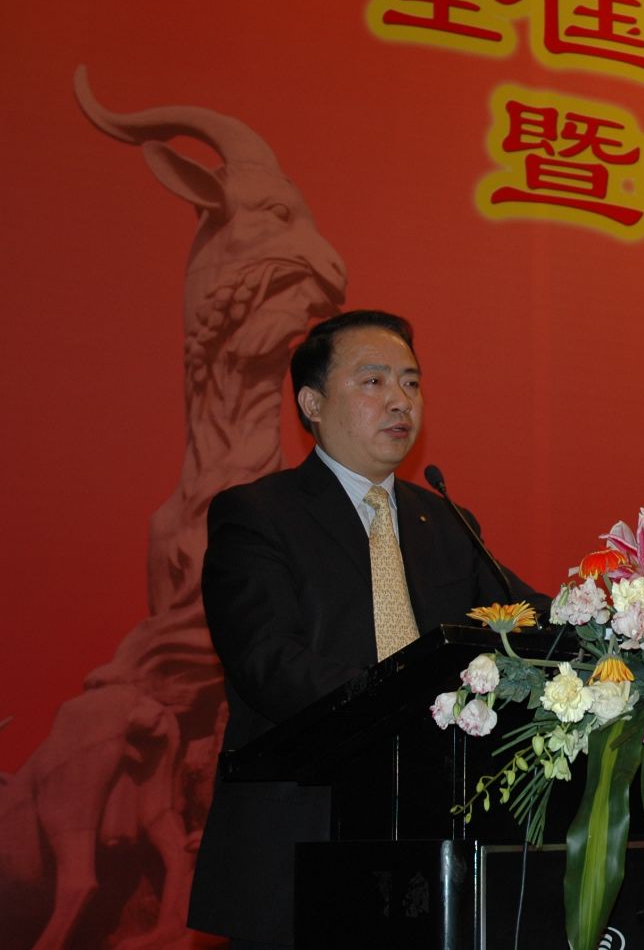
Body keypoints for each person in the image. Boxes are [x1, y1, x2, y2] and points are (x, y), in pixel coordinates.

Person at [187, 309, 534, 948]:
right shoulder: (258, 515)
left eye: (411, 382)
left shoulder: (446, 521)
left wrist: (635, 616)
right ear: (312, 403)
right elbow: (267, 661)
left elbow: (526, 620)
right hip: (304, 841)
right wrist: (409, 704)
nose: (401, 400)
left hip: (433, 841)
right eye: (373, 381)